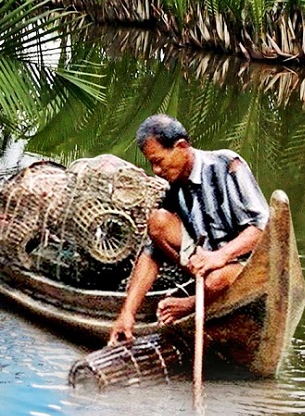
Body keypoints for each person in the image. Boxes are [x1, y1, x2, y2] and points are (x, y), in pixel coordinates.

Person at [109, 114, 270, 343]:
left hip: (244, 267)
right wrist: (127, 313)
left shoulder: (227, 164)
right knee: (158, 221)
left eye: (159, 160)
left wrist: (219, 257)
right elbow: (151, 253)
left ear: (181, 147)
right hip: (206, 265)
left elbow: (262, 227)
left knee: (216, 279)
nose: (156, 170)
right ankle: (202, 289)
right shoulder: (175, 187)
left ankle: (189, 304)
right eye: (151, 163)